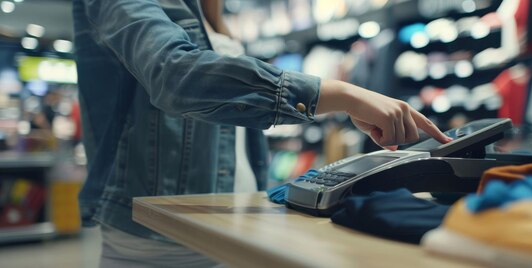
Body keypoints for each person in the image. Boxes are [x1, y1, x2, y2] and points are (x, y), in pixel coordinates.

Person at [73, 0, 451, 267]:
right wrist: (341, 95)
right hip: (159, 240)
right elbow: (175, 76)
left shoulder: (213, 13)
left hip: (232, 226)